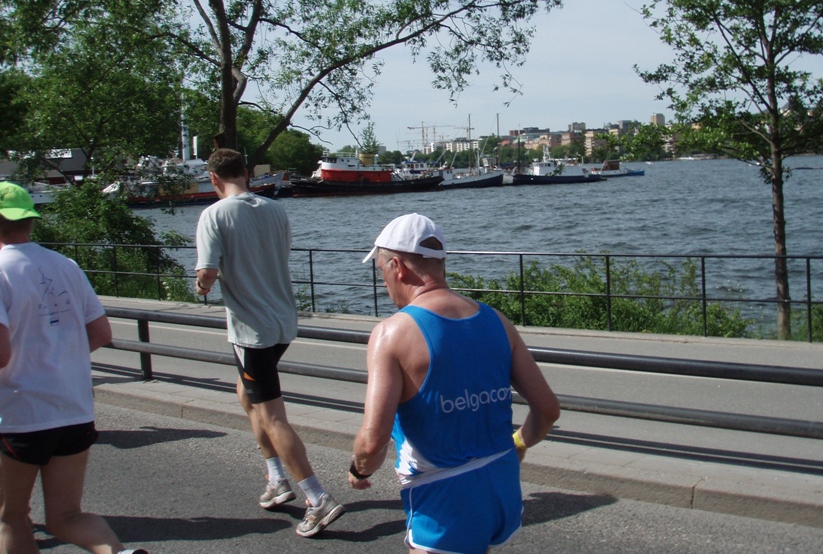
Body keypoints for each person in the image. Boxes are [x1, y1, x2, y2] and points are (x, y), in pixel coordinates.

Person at [349, 213, 560, 553]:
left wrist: (358, 471)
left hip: (444, 498)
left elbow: (372, 444)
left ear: (398, 267)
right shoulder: (496, 320)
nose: (384, 283)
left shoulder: (392, 333)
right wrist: (519, 442)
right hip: (502, 485)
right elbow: (548, 410)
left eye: (381, 272)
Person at [194, 149, 343, 538]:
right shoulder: (275, 209)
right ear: (246, 173)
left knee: (271, 414)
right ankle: (276, 477)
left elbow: (207, 272)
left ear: (213, 178)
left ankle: (316, 496)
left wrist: (201, 285)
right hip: (282, 321)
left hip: (251, 331)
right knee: (246, 394)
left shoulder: (214, 215)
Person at [0, 182, 147, 554]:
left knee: (11, 517)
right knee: (66, 516)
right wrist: (59, 357)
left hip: (20, 413)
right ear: (28, 221)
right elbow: (100, 332)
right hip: (74, 409)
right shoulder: (64, 264)